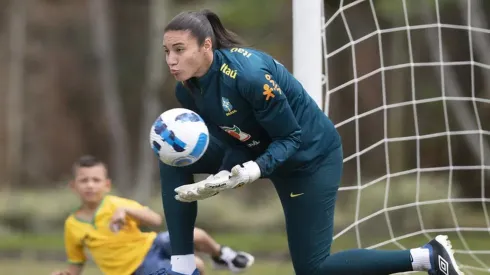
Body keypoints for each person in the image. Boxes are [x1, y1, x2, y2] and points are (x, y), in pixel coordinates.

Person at [157, 9, 464, 275]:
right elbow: (233, 137)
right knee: (171, 153)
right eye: (167, 51)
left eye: (180, 50)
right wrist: (223, 172)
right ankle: (182, 266)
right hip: (259, 152)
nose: (171, 60)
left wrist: (251, 170)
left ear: (206, 45)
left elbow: (290, 137)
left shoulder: (249, 76)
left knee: (313, 268)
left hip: (309, 159)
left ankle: (427, 257)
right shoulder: (187, 90)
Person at [50, 155, 254, 275]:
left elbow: (156, 220)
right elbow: (76, 262)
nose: (90, 185)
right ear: (73, 186)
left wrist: (127, 211)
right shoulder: (72, 224)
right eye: (84, 180)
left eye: (95, 180)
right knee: (196, 266)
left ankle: (221, 256)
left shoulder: (117, 203)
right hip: (137, 267)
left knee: (193, 234)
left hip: (152, 243)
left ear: (106, 185)